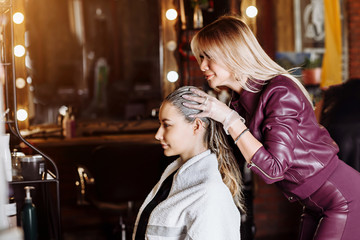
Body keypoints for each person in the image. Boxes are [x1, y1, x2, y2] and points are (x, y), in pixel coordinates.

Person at [182, 15, 360, 240]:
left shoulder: (280, 92)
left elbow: (273, 169)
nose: (202, 66)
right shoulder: (238, 103)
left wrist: (228, 118)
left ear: (232, 54)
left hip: (343, 199)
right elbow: (227, 159)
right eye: (200, 57)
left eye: (208, 57)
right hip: (312, 203)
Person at [132, 86, 244, 240]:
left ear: (197, 126)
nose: (158, 135)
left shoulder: (210, 194)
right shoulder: (173, 175)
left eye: (166, 125)